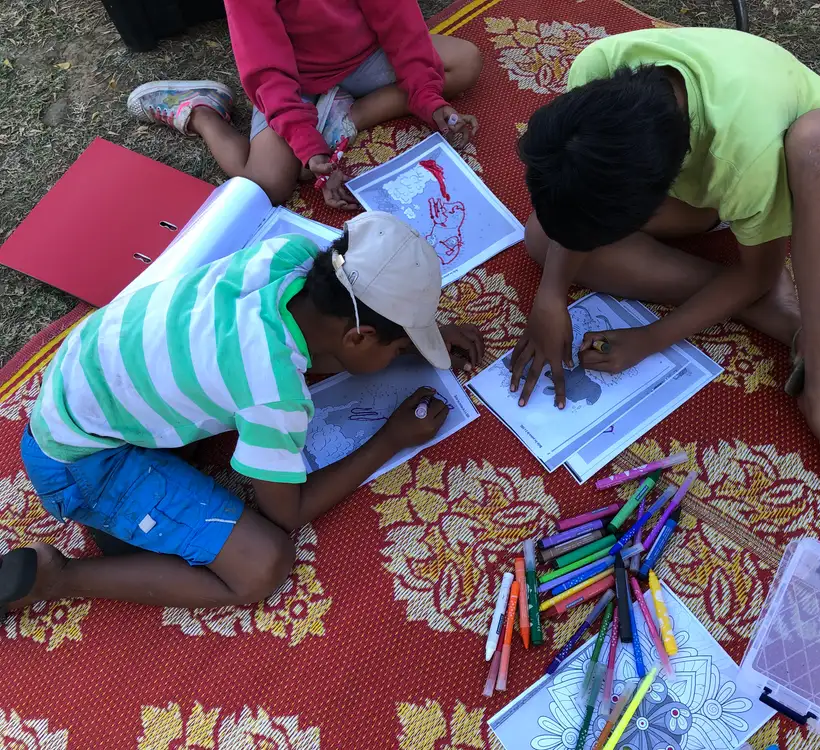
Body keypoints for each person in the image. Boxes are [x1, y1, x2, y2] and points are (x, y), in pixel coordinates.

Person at [512, 28, 820, 540]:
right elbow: (573, 198)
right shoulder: (594, 71)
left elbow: (759, 271)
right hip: (695, 177)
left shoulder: (744, 153)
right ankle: (762, 307)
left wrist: (652, 338)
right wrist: (551, 294)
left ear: (653, 201)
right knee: (541, 236)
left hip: (784, 167)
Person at [0, 213, 485, 618]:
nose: (404, 355)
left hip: (84, 378)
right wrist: (391, 439)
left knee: (188, 487)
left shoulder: (290, 255)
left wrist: (422, 337)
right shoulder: (272, 391)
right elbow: (287, 512)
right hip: (80, 465)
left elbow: (332, 346)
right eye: (400, 347)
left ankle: (129, 527)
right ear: (359, 337)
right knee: (262, 564)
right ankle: (58, 578)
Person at [125, 0, 483, 208]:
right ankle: (202, 112)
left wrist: (428, 97)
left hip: (365, 56)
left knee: (464, 62)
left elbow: (399, 21)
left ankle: (346, 117)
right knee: (265, 186)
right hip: (296, 81)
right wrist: (306, 144)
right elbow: (268, 72)